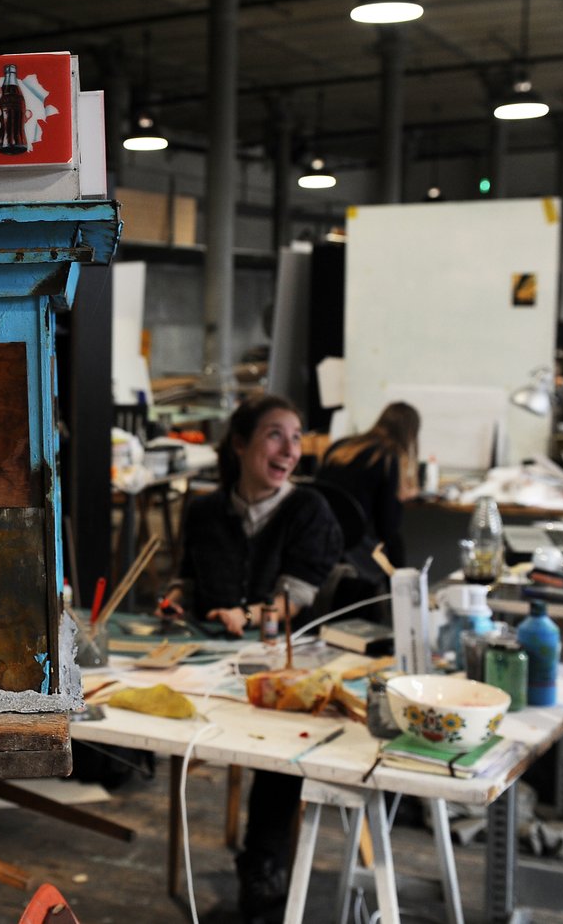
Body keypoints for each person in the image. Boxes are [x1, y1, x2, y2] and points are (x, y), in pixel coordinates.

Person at [158, 395, 343, 922]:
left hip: (281, 663)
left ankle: (263, 864)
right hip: (207, 659)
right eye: (275, 435)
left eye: (296, 436)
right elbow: (188, 581)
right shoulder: (204, 510)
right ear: (240, 444)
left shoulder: (310, 510)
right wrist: (174, 601)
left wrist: (255, 613)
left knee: (281, 738)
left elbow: (295, 600)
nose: (290, 449)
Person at [317, 401, 421, 573]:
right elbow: (387, 526)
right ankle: (399, 595)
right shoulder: (388, 458)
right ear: (410, 434)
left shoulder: (341, 446)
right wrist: (400, 500)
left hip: (323, 535)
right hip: (355, 544)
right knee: (395, 548)